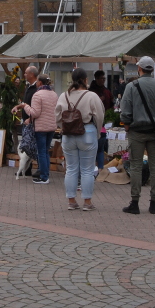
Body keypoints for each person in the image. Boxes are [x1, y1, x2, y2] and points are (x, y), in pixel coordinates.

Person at [119, 56, 155, 215]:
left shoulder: (132, 86)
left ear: (140, 68)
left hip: (137, 131)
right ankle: (153, 203)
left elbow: (125, 110)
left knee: (136, 166)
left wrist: (127, 124)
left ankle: (135, 202)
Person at [55, 67, 104, 210]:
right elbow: (99, 116)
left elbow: (57, 116)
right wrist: (97, 131)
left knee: (71, 169)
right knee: (87, 170)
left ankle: (71, 201)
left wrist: (64, 125)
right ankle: (87, 202)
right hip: (87, 131)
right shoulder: (91, 96)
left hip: (68, 135)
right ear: (86, 80)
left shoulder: (63, 96)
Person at [15, 74, 58, 184]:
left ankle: (44, 177)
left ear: (39, 82)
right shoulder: (54, 94)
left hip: (41, 127)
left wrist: (25, 106)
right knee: (46, 151)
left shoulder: (37, 95)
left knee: (41, 152)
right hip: (52, 126)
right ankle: (46, 174)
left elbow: (35, 113)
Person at [89, 70, 114, 170]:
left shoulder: (106, 91)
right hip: (93, 123)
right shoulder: (91, 91)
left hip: (104, 122)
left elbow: (111, 104)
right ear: (97, 79)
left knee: (101, 149)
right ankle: (93, 169)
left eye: (104, 79)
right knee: (94, 149)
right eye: (102, 78)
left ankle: (100, 169)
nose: (103, 80)